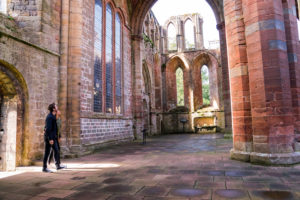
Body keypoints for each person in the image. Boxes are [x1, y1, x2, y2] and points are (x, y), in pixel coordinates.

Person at [42, 103, 65, 173]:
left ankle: (57, 166)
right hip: (49, 138)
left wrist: (58, 136)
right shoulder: (50, 117)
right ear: (53, 109)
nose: (57, 107)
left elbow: (55, 128)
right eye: (56, 106)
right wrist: (50, 139)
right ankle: (44, 168)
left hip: (53, 137)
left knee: (57, 150)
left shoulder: (53, 116)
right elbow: (48, 129)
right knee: (47, 152)